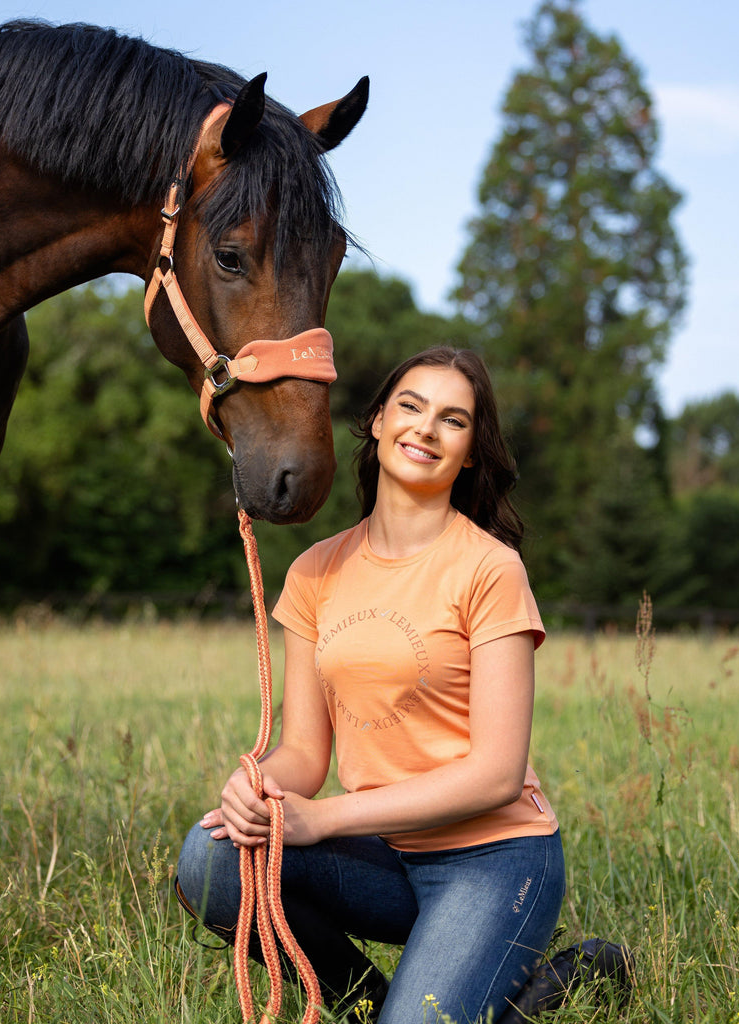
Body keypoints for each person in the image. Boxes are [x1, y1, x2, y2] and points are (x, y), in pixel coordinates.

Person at [177, 346, 565, 1023]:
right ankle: (371, 1006)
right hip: (386, 857)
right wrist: (260, 786)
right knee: (211, 859)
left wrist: (321, 818)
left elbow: (497, 775)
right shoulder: (315, 573)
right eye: (410, 407)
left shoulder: (490, 570)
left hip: (495, 861)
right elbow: (304, 751)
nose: (426, 428)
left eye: (453, 420)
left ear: (470, 452)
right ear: (379, 421)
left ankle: (568, 979)